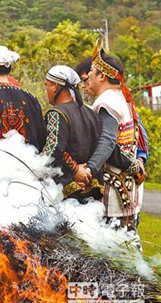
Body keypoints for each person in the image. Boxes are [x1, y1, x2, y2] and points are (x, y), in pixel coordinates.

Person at [75, 47, 148, 245]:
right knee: (127, 249)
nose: (88, 76)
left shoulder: (107, 101)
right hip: (126, 189)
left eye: (91, 72)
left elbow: (108, 141)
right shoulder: (121, 99)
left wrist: (89, 168)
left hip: (115, 192)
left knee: (114, 252)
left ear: (102, 76)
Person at [41, 65, 102, 201]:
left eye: (47, 85)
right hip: (91, 186)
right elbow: (102, 146)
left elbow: (53, 149)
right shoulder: (91, 113)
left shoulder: (56, 113)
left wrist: (75, 170)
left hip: (64, 190)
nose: (46, 90)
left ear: (55, 86)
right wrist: (87, 169)